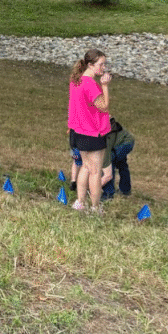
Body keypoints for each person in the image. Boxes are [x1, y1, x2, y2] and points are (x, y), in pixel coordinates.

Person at [67, 49, 111, 214]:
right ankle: (95, 207)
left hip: (78, 131)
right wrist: (105, 86)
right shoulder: (91, 84)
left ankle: (80, 202)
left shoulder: (76, 80)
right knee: (95, 171)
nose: (103, 68)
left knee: (85, 167)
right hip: (93, 132)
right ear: (91, 65)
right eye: (101, 64)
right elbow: (104, 106)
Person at [101, 117, 135, 199]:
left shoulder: (106, 133)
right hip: (123, 141)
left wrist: (93, 188)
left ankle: (108, 194)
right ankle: (125, 190)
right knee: (122, 164)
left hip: (125, 142)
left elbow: (107, 157)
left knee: (110, 163)